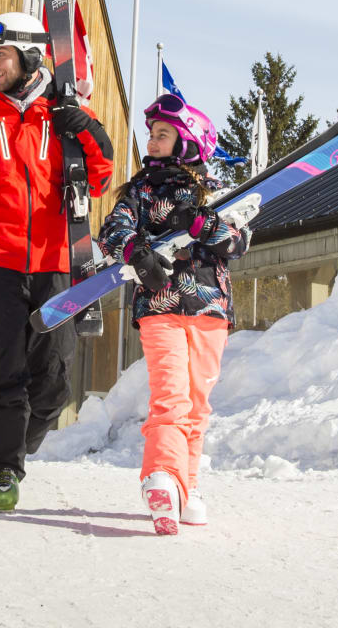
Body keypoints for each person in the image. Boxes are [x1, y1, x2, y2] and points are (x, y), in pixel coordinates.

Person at [0, 12, 113, 511]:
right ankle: (1, 469)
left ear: (31, 58)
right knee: (3, 369)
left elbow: (99, 178)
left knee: (53, 375)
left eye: (0, 55)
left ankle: (18, 445)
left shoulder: (63, 117)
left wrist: (88, 127)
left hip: (56, 261)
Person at [97, 94, 257, 536]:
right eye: (150, 134)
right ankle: (161, 477)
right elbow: (114, 230)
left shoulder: (216, 193)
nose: (151, 141)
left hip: (209, 309)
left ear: (188, 141)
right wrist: (135, 252)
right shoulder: (140, 192)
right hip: (161, 306)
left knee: (198, 405)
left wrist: (208, 226)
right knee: (171, 396)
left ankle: (186, 486)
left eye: (162, 135)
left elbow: (240, 242)